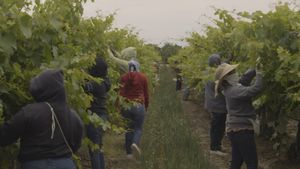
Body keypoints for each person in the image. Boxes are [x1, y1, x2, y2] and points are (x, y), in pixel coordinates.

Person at [0, 69, 83, 169]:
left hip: (35, 164)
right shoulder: (73, 116)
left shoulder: (30, 111)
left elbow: (5, 135)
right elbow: (76, 144)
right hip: (65, 164)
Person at [205, 54, 257, 156]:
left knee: (218, 125)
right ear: (216, 63)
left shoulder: (208, 71)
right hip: (217, 105)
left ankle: (217, 144)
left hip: (215, 104)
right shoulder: (215, 75)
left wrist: (228, 60)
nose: (221, 63)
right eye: (219, 62)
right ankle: (214, 148)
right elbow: (228, 82)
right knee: (217, 126)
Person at [215, 63, 263, 169]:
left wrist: (254, 69)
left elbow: (244, 80)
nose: (236, 74)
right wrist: (259, 74)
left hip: (235, 130)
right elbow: (256, 89)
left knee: (236, 161)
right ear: (227, 78)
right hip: (242, 131)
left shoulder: (230, 88)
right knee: (252, 163)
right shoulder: (235, 90)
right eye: (233, 73)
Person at [85, 57, 111, 169]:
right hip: (102, 116)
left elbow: (84, 87)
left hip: (94, 116)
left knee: (94, 149)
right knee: (98, 146)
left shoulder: (95, 83)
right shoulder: (105, 81)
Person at [119, 60, 149, 158]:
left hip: (126, 105)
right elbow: (146, 93)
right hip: (139, 105)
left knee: (128, 129)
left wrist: (119, 106)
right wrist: (146, 105)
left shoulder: (123, 77)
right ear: (137, 67)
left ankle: (129, 154)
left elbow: (121, 93)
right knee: (138, 128)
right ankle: (135, 143)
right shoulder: (143, 77)